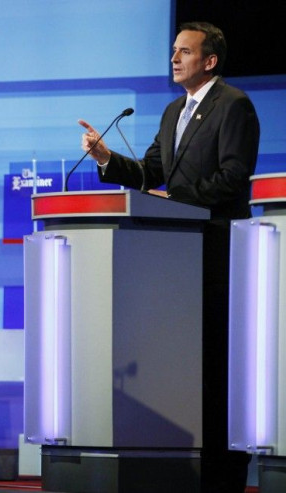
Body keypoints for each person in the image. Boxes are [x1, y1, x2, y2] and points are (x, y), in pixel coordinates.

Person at [78, 22, 259, 493]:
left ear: (210, 60)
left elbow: (234, 177)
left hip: (218, 255)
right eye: (173, 51)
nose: (174, 58)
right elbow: (149, 172)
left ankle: (225, 476)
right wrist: (106, 158)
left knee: (218, 370)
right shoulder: (174, 109)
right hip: (175, 263)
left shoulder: (233, 105)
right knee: (184, 367)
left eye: (184, 51)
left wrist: (174, 197)